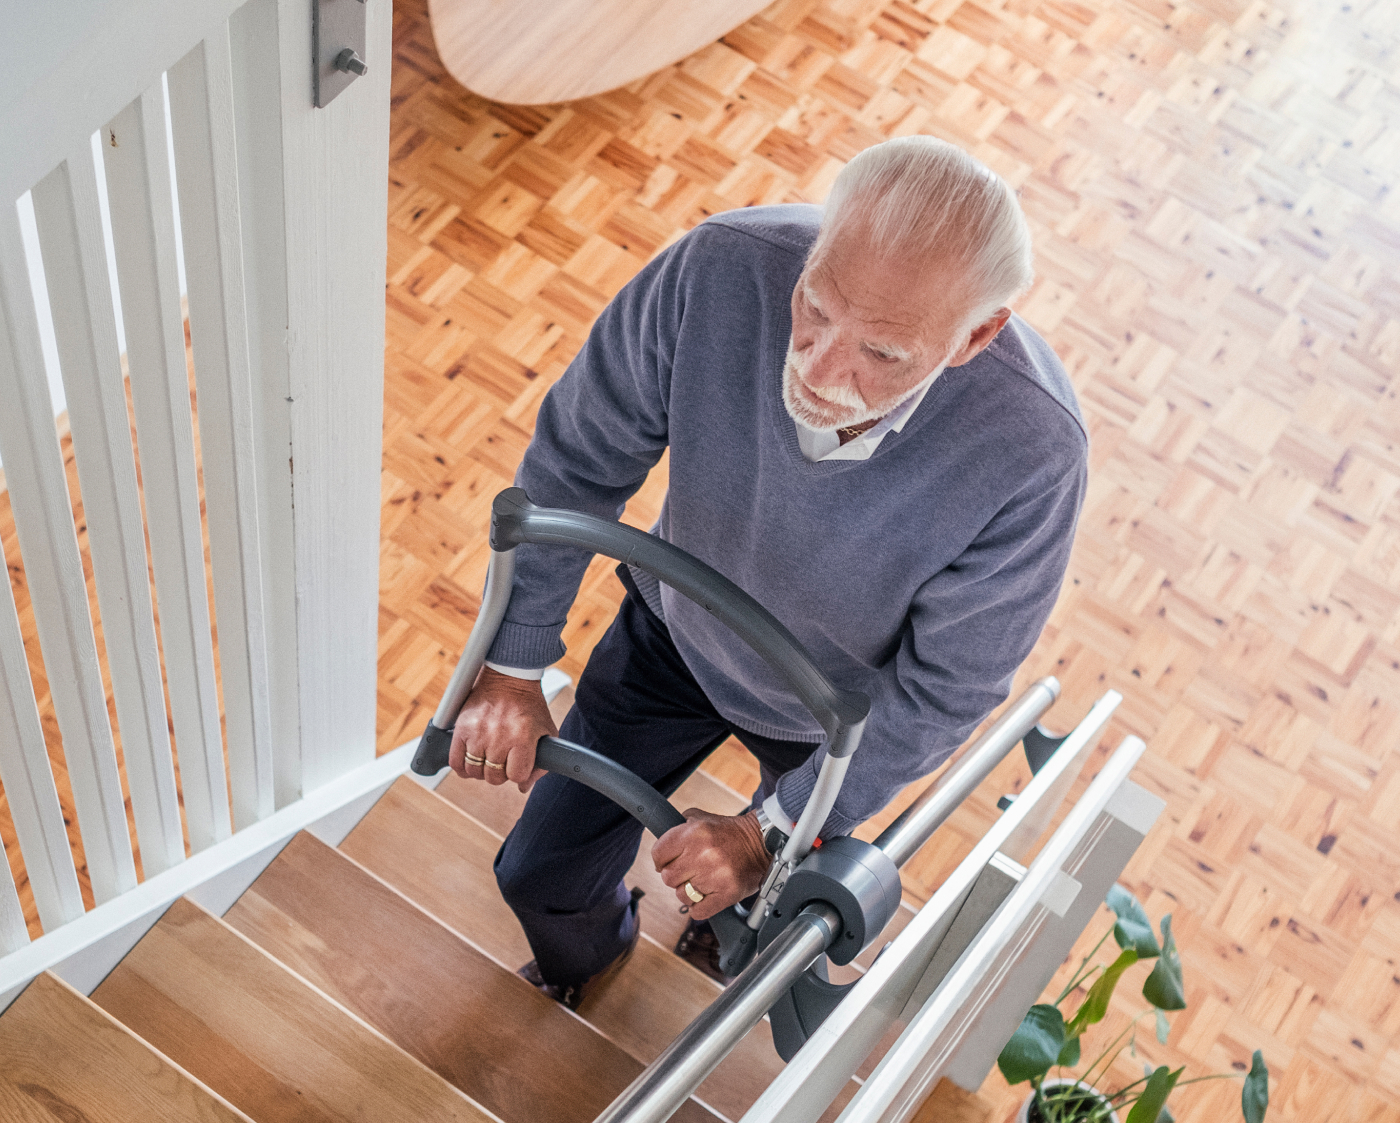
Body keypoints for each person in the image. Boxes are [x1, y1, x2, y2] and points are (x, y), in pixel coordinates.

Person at [449, 135, 1088, 1005]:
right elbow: (578, 459)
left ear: (976, 337)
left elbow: (948, 688)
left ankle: (724, 941)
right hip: (677, 633)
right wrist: (514, 663)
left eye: (884, 355)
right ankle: (589, 958)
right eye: (816, 308)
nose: (821, 372)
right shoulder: (722, 265)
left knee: (762, 913)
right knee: (537, 874)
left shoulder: (1035, 450)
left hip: (835, 721)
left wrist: (770, 829)